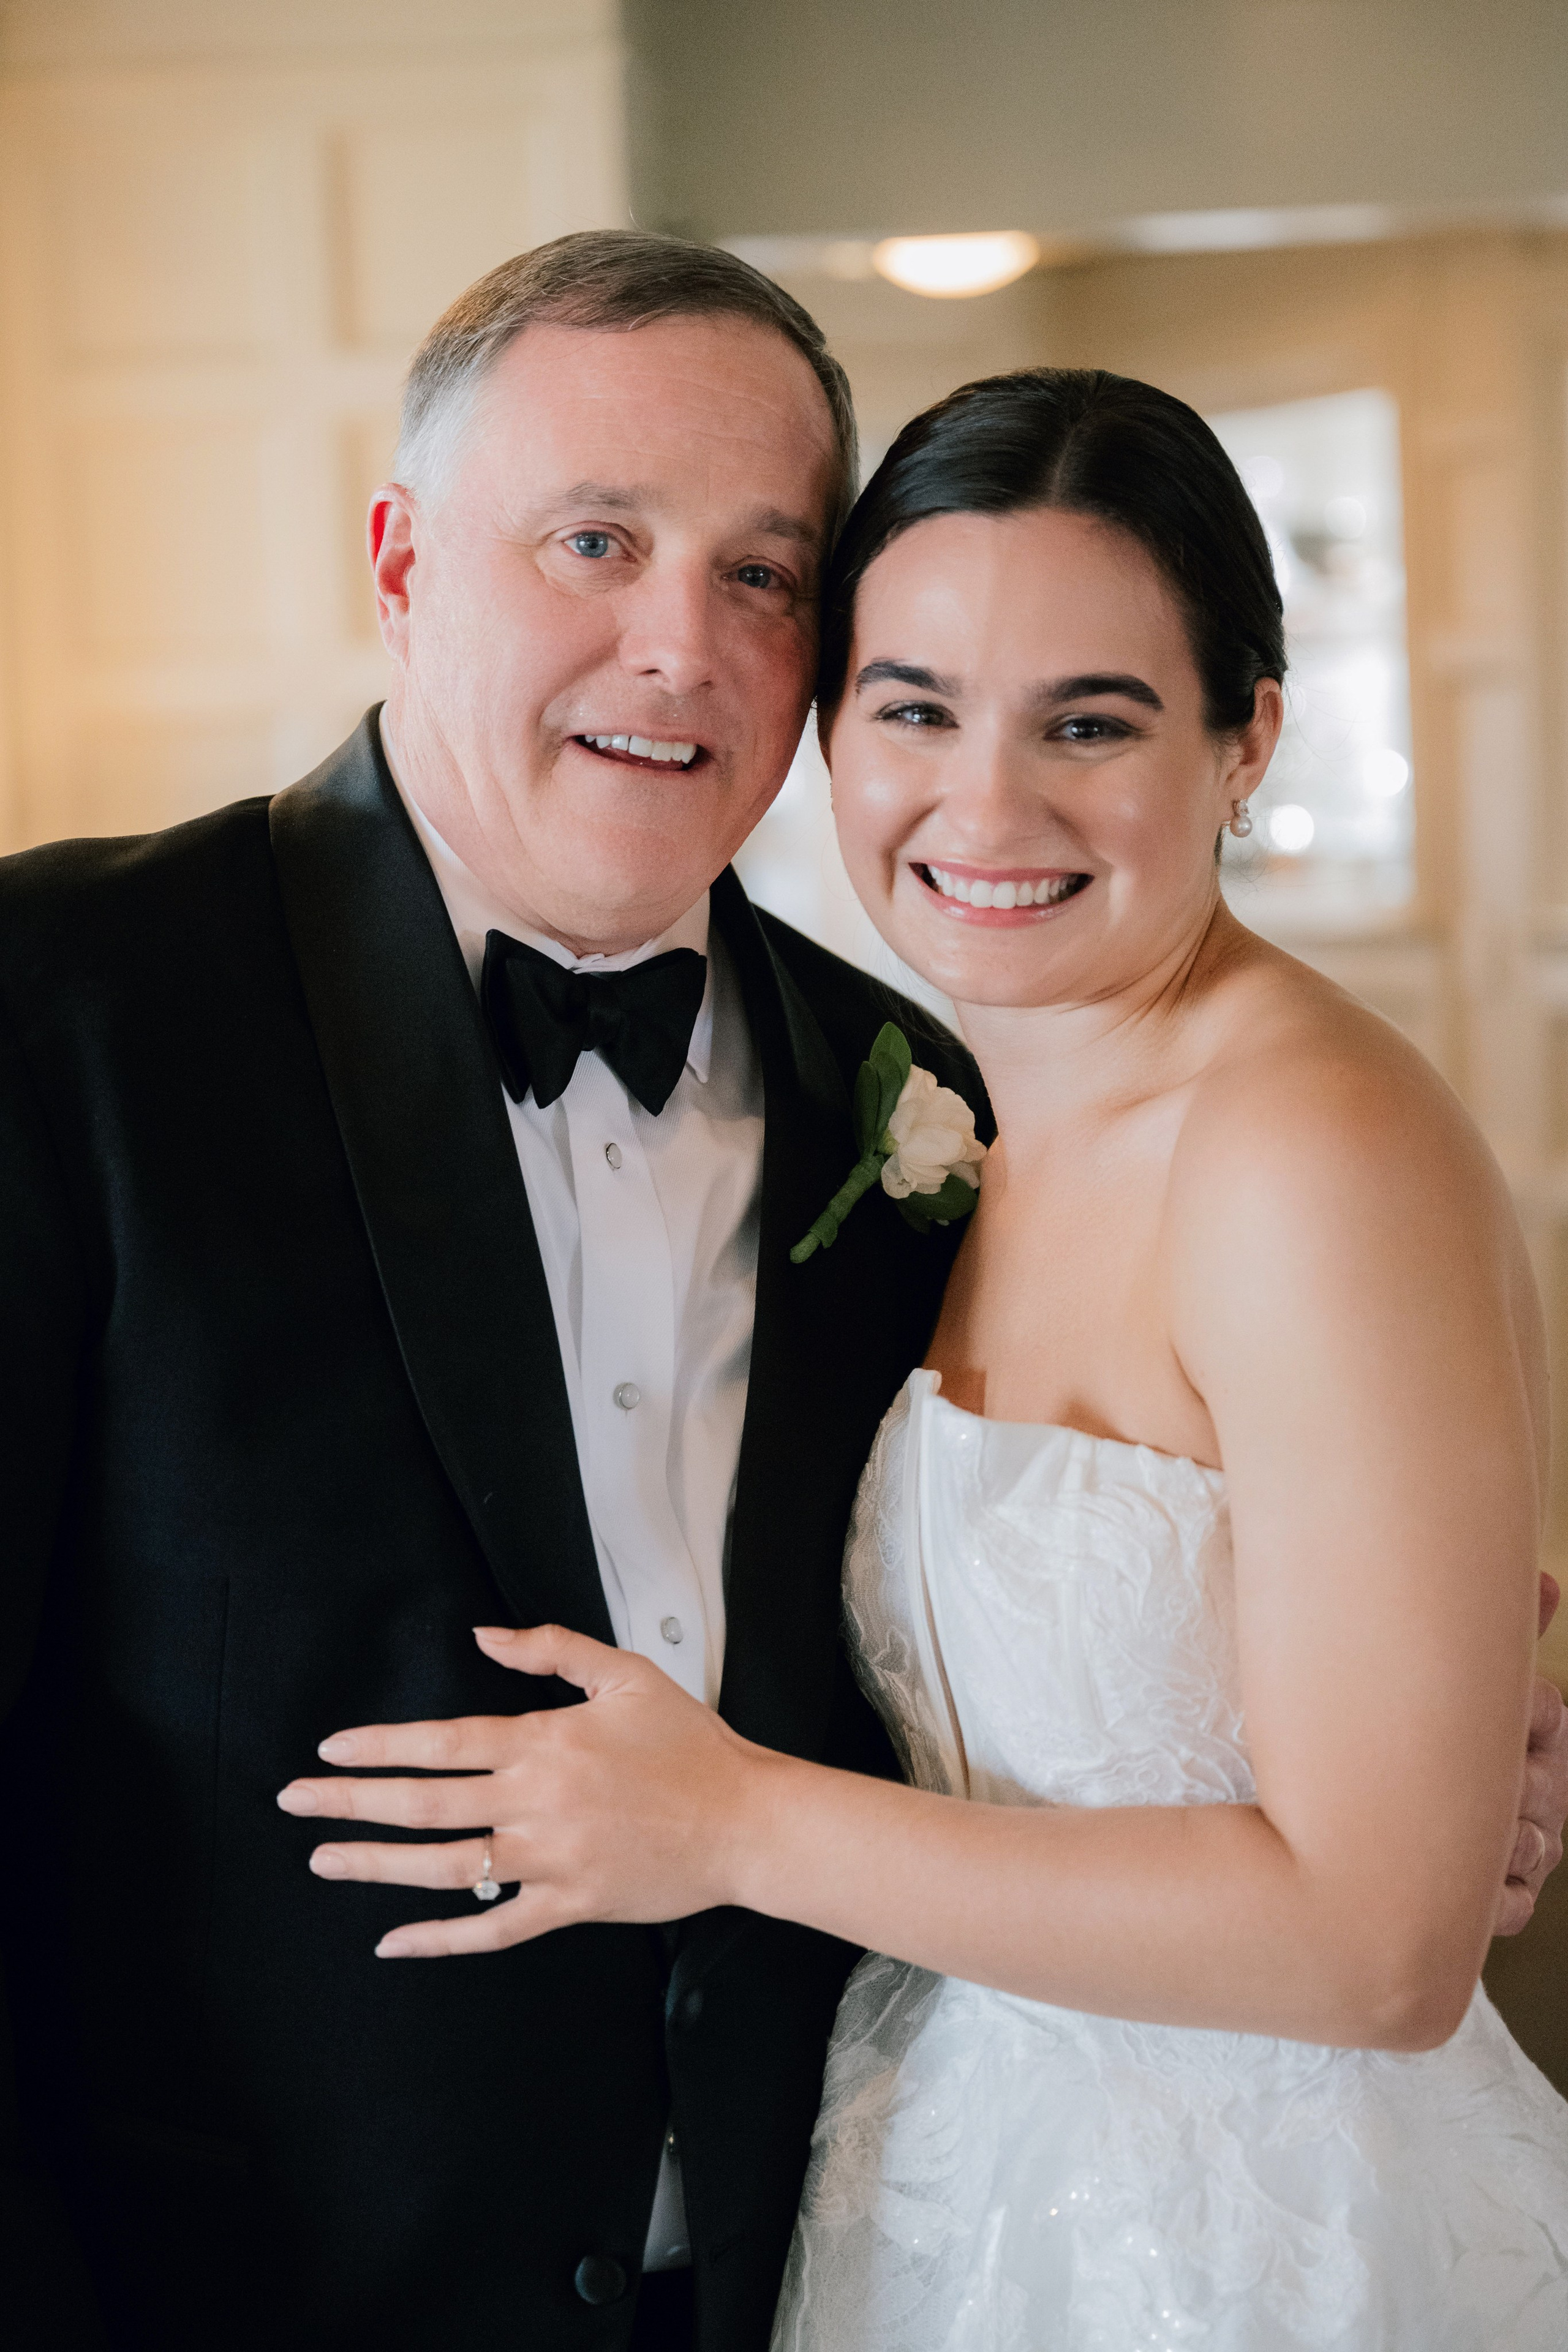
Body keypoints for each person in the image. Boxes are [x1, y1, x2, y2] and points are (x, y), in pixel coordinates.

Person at [281, 367, 1568, 2350]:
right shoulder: (953, 1111)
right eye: (915, 709)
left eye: (1092, 722)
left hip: (1249, 2246)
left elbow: (1383, 1949)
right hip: (947, 2186)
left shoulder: (1314, 1150)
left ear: (1250, 741)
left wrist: (726, 1822)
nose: (984, 806)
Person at [0, 232, 981, 2352]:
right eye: (596, 540)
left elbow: (978, 1661)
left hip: (808, 2281)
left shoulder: (920, 1105)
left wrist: (1384, 1742)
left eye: (763, 572)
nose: (683, 646)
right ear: (404, 558)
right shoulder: (57, 1012)